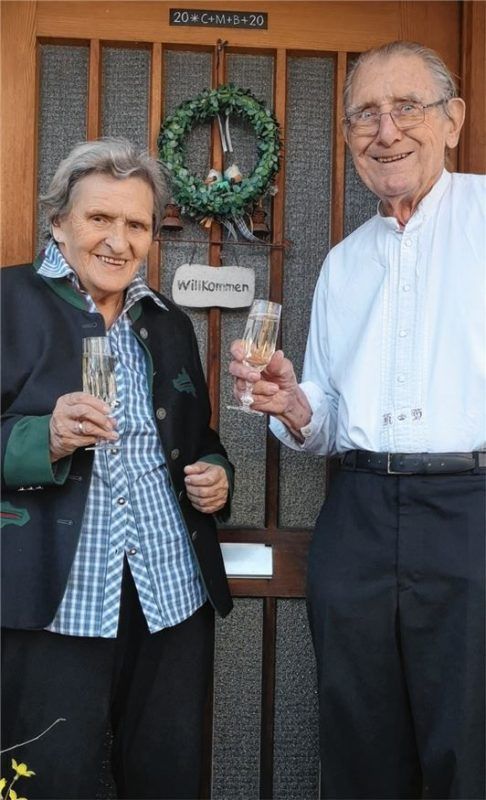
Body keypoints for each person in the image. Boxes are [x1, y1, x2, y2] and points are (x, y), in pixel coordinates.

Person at [230, 41, 485, 799]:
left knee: (468, 745)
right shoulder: (344, 262)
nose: (386, 129)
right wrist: (295, 405)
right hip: (361, 516)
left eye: (407, 106)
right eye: (365, 114)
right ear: (347, 140)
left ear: (453, 121)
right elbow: (332, 419)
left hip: (473, 512)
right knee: (358, 742)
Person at [1, 137, 234, 800]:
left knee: (167, 780)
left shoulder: (165, 323)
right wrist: (42, 438)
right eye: (99, 218)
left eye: (135, 224)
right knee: (45, 782)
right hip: (53, 602)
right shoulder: (8, 303)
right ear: (59, 223)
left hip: (168, 597)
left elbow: (200, 437)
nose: (117, 240)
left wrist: (216, 476)